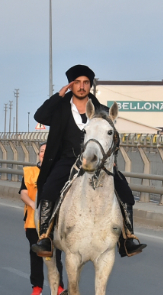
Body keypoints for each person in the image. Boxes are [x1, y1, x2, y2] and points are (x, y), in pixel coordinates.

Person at [31, 64, 146, 258]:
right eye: (77, 83)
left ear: (90, 85)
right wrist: (58, 96)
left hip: (98, 163)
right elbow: (39, 116)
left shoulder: (102, 110)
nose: (82, 86)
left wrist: (111, 160)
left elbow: (113, 137)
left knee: (125, 193)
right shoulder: (60, 108)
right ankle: (45, 237)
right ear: (71, 85)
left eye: (85, 82)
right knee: (49, 190)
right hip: (67, 160)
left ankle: (127, 238)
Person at [20, 142, 65, 295]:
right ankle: (37, 287)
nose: (43, 154)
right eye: (41, 151)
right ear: (38, 154)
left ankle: (59, 287)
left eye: (47, 151)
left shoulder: (58, 174)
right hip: (34, 220)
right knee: (37, 254)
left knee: (55, 255)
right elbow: (23, 193)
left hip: (54, 220)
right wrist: (32, 204)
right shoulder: (29, 172)